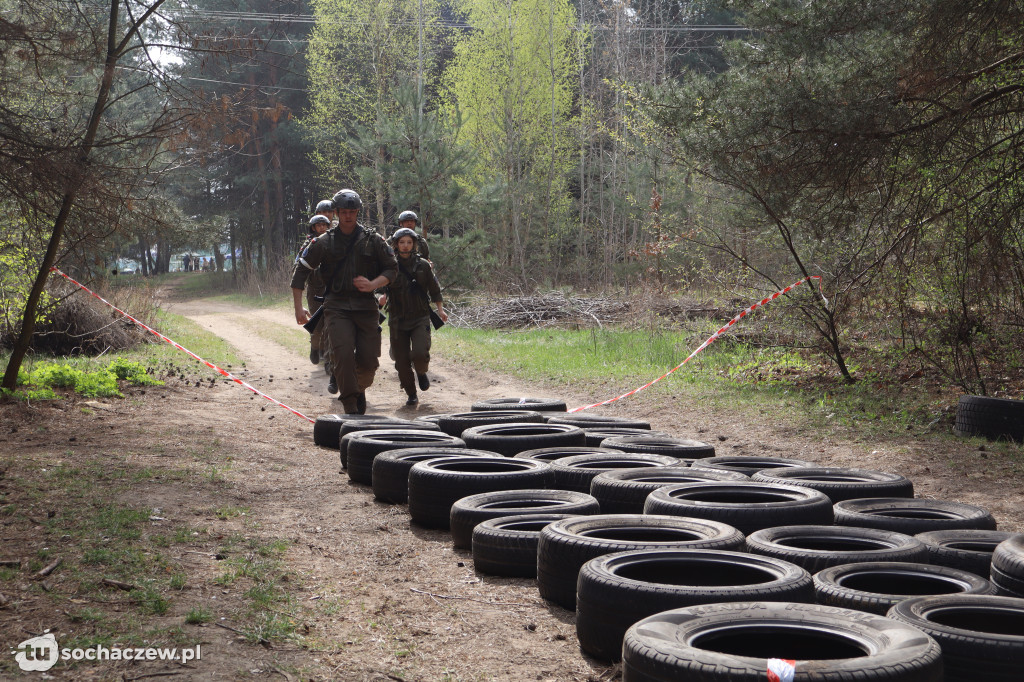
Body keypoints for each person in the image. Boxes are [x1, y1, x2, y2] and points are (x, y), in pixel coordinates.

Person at [290, 189, 397, 414]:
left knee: (369, 362)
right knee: (343, 353)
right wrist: (299, 307)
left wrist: (373, 284)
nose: (348, 216)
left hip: (366, 307)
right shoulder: (323, 242)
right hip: (336, 307)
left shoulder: (373, 240)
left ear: (357, 212)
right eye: (343, 212)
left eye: (352, 212)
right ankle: (349, 403)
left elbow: (392, 268)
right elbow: (301, 272)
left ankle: (358, 388)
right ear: (336, 213)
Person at [378, 227, 448, 406]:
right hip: (397, 319)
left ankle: (421, 372)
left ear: (414, 244)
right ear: (395, 244)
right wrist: (381, 297)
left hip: (419, 317)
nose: (405, 246)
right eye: (402, 242)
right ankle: (411, 393)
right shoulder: (389, 265)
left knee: (419, 353)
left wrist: (440, 310)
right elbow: (378, 287)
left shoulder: (423, 265)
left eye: (409, 242)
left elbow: (434, 289)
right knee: (401, 362)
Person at [298, 214, 332, 375]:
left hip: (330, 289)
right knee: (317, 325)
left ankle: (328, 358)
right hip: (314, 290)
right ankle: (315, 346)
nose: (322, 228)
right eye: (318, 225)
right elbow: (299, 266)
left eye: (324, 225)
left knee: (330, 325)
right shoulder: (308, 245)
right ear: (313, 228)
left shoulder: (332, 241)